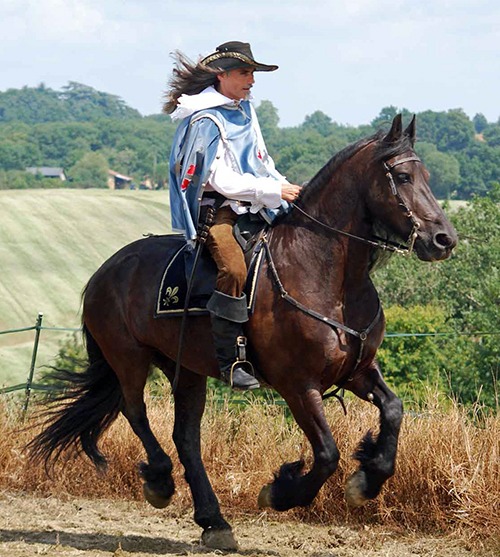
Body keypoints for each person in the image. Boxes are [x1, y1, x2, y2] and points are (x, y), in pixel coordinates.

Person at [165, 41, 301, 390]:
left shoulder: (243, 110)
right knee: (234, 268)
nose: (251, 80)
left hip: (254, 203)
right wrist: (272, 192)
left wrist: (288, 188)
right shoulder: (206, 118)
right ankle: (232, 359)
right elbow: (216, 178)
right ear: (221, 75)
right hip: (217, 212)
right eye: (244, 72)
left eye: (253, 73)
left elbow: (260, 162)